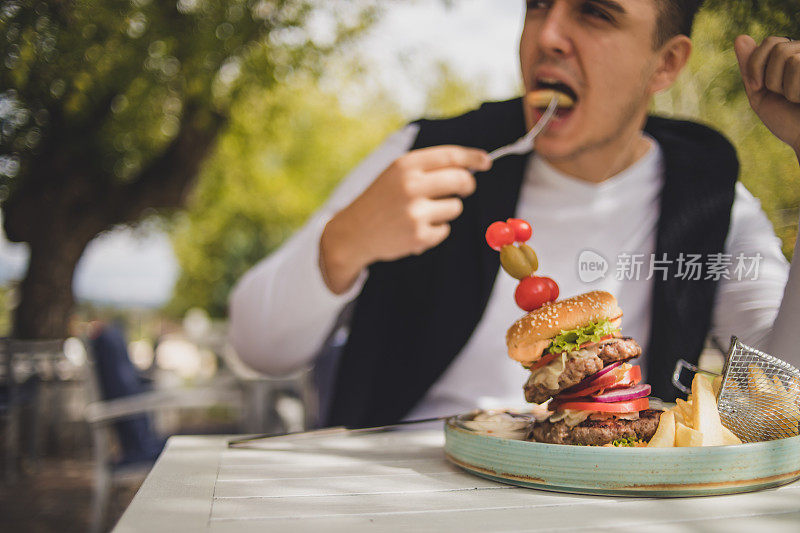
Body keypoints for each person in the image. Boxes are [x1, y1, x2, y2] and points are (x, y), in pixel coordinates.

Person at [229, 0, 800, 428]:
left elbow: (770, 410)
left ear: (665, 64)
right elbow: (258, 348)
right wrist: (346, 241)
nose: (548, 35)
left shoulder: (705, 191)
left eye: (595, 14)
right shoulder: (425, 153)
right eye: (537, 5)